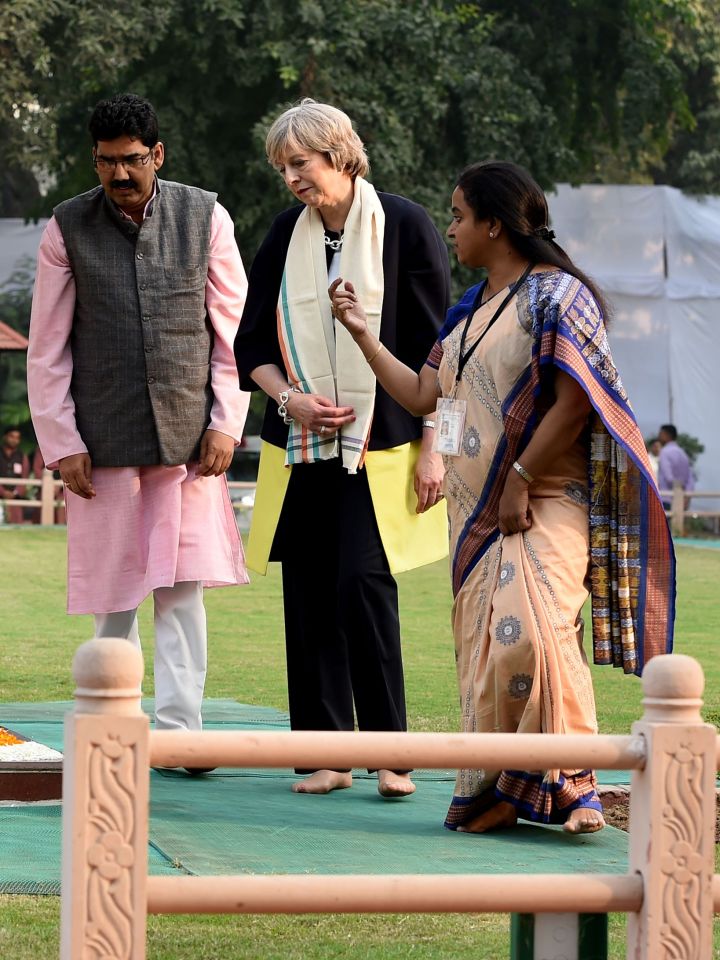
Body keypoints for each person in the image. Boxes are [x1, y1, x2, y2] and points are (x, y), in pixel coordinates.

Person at [332, 160, 675, 833]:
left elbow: (577, 399)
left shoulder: (557, 296)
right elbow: (422, 395)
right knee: (492, 643)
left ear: (494, 222)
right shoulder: (469, 307)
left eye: (458, 215)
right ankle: (497, 793)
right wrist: (362, 336)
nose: (450, 228)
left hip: (546, 491)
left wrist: (519, 479)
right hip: (476, 514)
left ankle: (571, 787)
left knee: (534, 630)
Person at [234, 99, 450, 798]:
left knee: (362, 584)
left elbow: (438, 354)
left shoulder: (407, 225)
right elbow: (251, 350)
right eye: (282, 168)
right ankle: (324, 757)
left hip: (379, 445)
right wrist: (289, 399)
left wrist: (434, 449)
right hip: (300, 446)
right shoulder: (281, 234)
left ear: (339, 154)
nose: (291, 178)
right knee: (309, 594)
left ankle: (390, 754)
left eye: (301, 163)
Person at [27, 93, 250, 748]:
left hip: (189, 437)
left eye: (131, 161)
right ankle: (105, 729)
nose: (119, 176)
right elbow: (48, 347)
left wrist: (226, 422)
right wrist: (62, 440)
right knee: (114, 593)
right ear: (92, 160)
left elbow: (234, 332)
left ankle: (183, 737)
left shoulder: (206, 216)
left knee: (182, 595)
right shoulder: (64, 227)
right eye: (105, 163)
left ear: (157, 154)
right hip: (104, 441)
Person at [657, 424, 694, 504]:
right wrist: (686, 498)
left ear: (667, 435)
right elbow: (690, 479)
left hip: (666, 498)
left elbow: (668, 477)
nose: (659, 437)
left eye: (661, 434)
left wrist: (677, 488)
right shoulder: (683, 453)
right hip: (681, 499)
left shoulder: (665, 452)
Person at [0, 426, 30, 523]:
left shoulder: (22, 456)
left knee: (16, 523)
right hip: (1, 495)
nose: (14, 440)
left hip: (15, 498)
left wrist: (15, 493)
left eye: (17, 438)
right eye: (12, 436)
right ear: (5, 437)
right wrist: (3, 492)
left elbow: (24, 478)